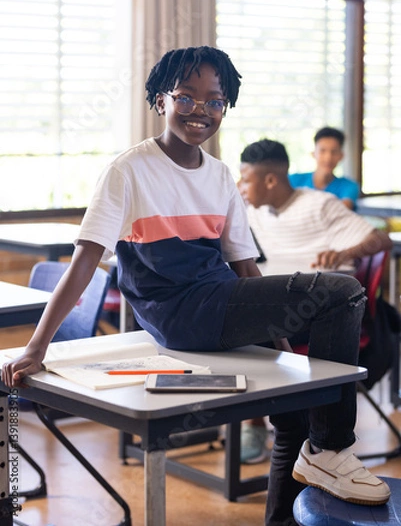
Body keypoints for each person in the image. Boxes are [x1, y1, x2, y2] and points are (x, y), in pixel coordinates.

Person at [1, 46, 391, 526]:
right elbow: (83, 263)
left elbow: (244, 266)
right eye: (186, 98)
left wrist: (285, 352)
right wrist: (36, 346)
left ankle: (293, 500)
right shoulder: (129, 170)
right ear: (160, 100)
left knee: (292, 417)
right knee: (343, 290)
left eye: (214, 101)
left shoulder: (221, 175)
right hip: (179, 313)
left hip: (218, 299)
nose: (200, 111)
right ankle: (331, 449)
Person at [238, 138, 393, 468]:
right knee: (226, 323)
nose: (241, 186)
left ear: (269, 180)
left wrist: (345, 253)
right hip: (275, 304)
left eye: (246, 179)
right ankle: (265, 424)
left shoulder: (321, 204)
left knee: (245, 336)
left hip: (321, 314)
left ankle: (260, 426)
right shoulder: (252, 211)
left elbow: (380, 239)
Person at [289, 126, 360, 209]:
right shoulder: (292, 180)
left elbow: (340, 213)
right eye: (322, 151)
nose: (328, 158)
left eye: (334, 152)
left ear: (341, 156)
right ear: (313, 153)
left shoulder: (349, 186)